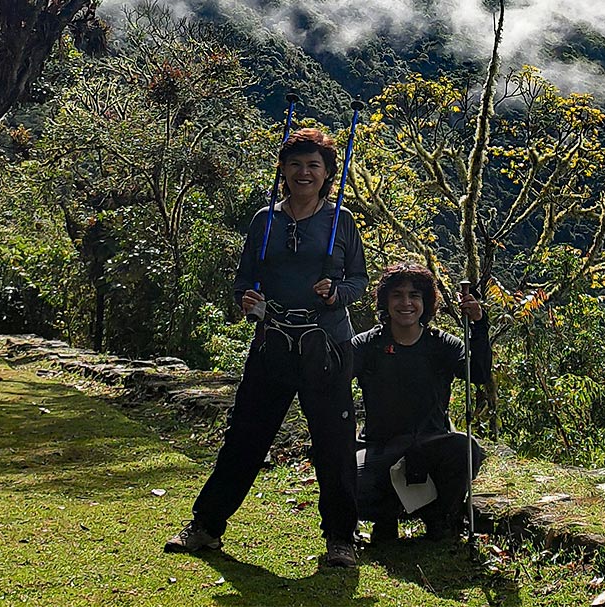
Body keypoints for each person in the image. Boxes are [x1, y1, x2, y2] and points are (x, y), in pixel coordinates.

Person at [166, 127, 369, 568]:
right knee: (245, 438)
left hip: (327, 347)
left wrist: (336, 293)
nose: (304, 172)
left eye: (314, 165)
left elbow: (360, 281)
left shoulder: (342, 222)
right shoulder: (265, 221)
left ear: (328, 172)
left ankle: (341, 538)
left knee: (334, 445)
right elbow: (244, 279)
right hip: (272, 341)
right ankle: (206, 527)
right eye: (295, 163)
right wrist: (247, 300)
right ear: (282, 169)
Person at [349, 263, 490, 544]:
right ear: (385, 301)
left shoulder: (442, 345)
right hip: (379, 445)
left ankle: (441, 518)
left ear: (426, 302)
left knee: (466, 450)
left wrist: (478, 324)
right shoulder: (366, 345)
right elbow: (333, 384)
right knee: (351, 478)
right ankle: (384, 520)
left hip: (430, 444)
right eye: (397, 295)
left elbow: (479, 374)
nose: (406, 303)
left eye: (414, 295)